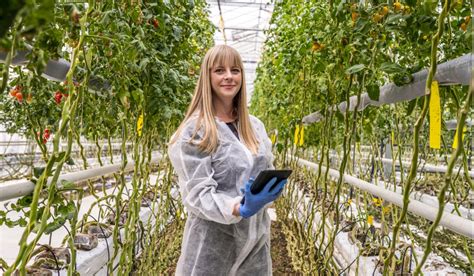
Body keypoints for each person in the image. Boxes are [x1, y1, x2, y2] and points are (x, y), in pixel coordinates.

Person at [168, 45, 287, 275]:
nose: (229, 76)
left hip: (256, 245)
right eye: (220, 70)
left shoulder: (255, 126)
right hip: (211, 249)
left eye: (235, 70)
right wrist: (238, 207)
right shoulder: (194, 131)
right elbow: (197, 194)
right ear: (207, 76)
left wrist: (269, 191)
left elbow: (266, 170)